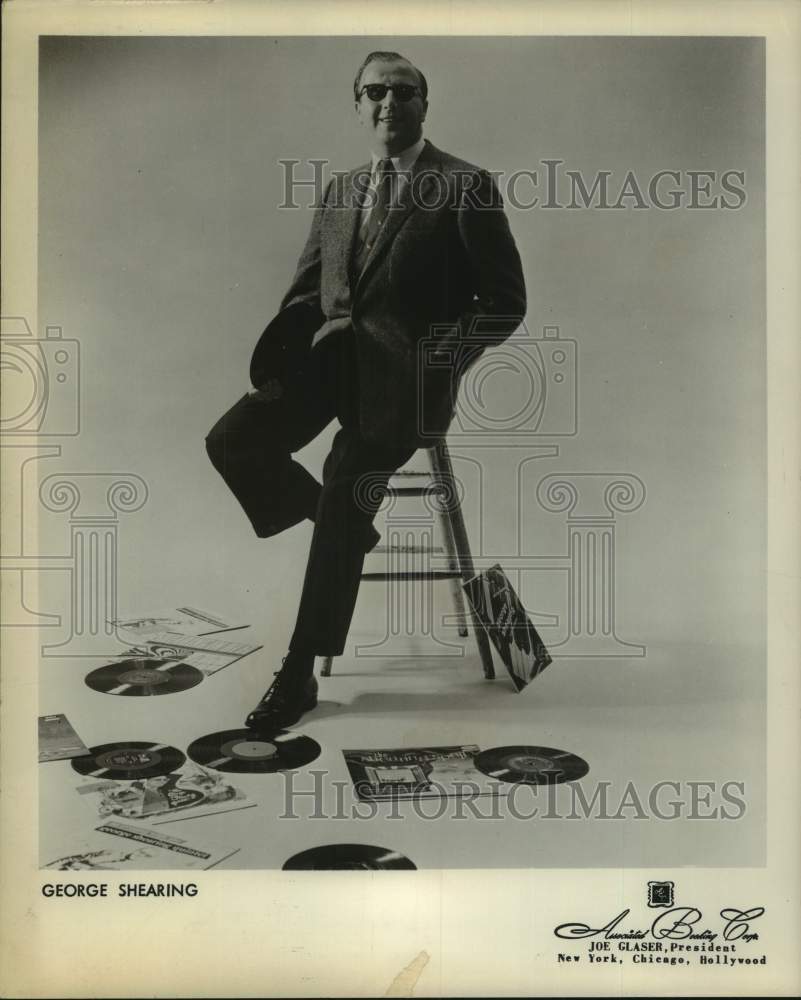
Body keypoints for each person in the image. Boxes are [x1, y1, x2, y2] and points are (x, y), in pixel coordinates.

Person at [205, 50, 526, 730]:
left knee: (346, 474)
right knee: (232, 440)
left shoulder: (463, 184)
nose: (389, 102)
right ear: (357, 104)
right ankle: (341, 526)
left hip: (404, 386)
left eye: (403, 92)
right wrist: (288, 361)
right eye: (374, 91)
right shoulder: (340, 189)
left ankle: (297, 672)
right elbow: (304, 289)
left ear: (423, 104)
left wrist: (437, 358)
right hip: (327, 368)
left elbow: (503, 302)